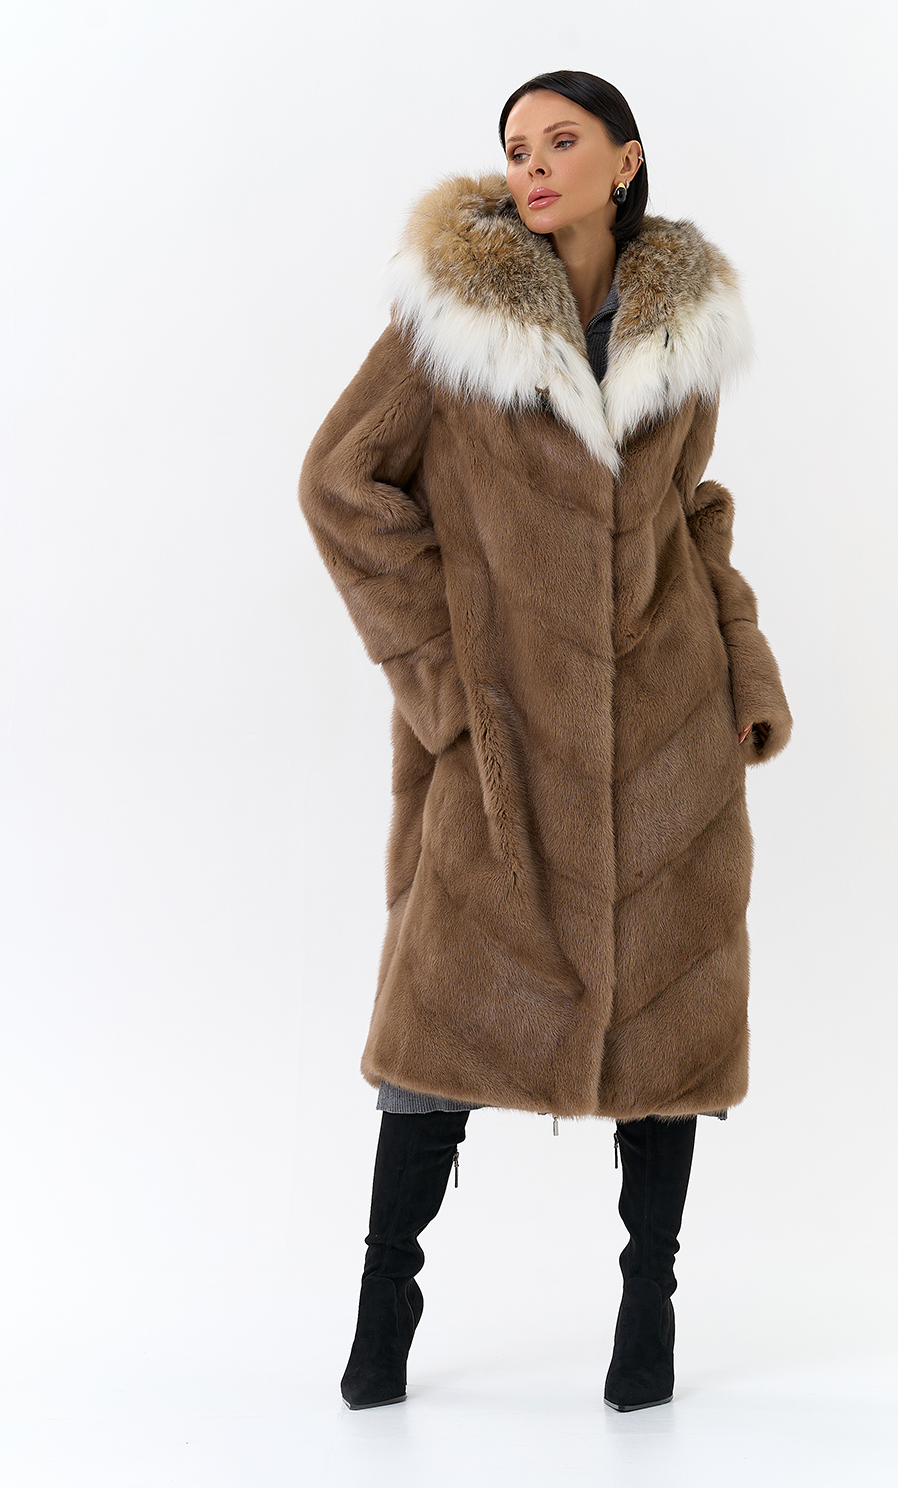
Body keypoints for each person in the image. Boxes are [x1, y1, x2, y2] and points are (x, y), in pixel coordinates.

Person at [298, 69, 792, 1413]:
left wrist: (743, 670)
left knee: (669, 1026)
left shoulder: (679, 333)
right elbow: (341, 483)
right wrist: (445, 678)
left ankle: (649, 1312)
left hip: (670, 739)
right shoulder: (448, 320)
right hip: (503, 743)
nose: (532, 165)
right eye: (516, 146)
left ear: (625, 161)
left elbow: (693, 510)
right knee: (435, 1029)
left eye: (561, 141)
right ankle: (384, 1314)